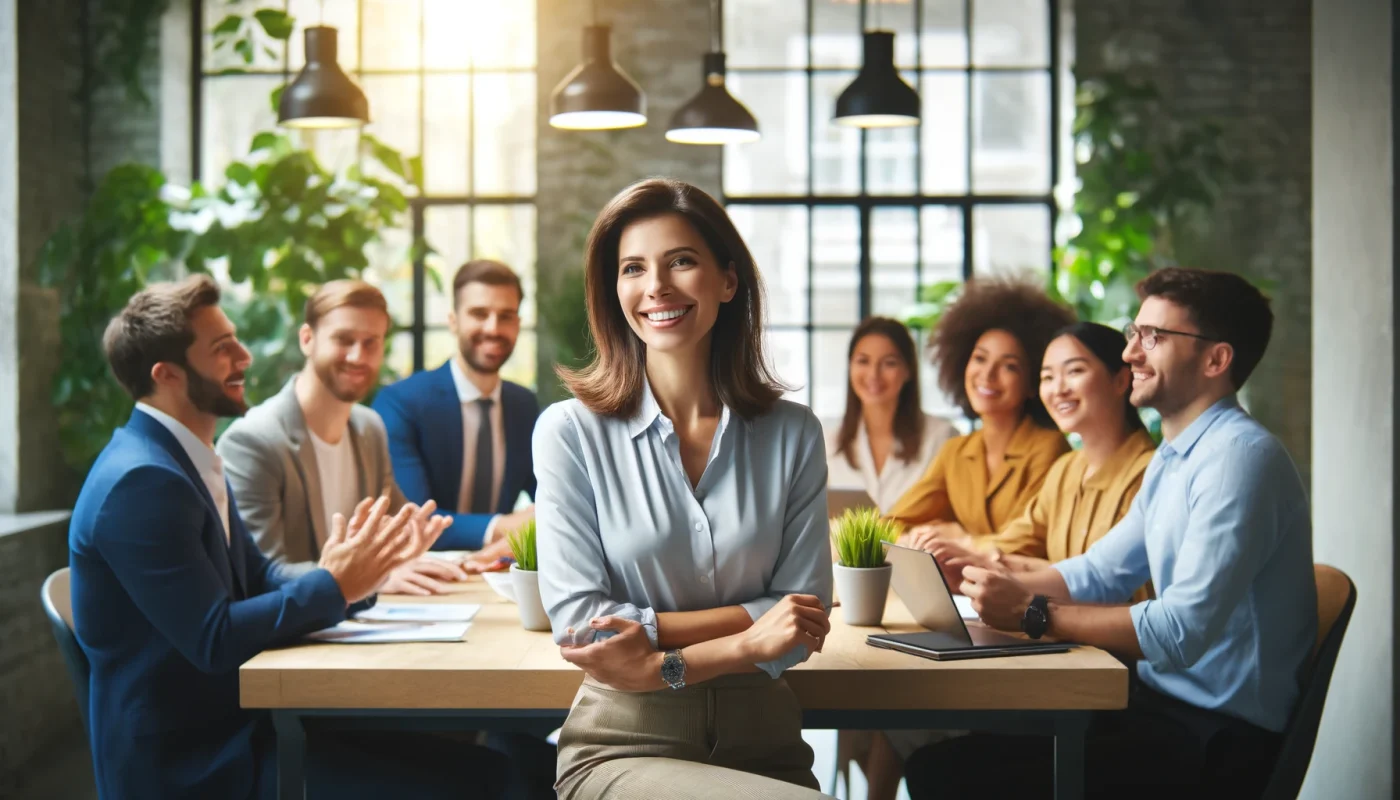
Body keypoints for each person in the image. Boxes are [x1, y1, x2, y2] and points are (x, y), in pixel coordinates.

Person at [66, 275, 507, 799]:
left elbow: (262, 576)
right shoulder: (143, 481)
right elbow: (214, 640)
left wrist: (352, 575)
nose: (243, 355)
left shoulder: (186, 460)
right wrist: (337, 584)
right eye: (221, 347)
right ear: (168, 376)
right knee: (485, 781)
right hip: (200, 763)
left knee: (490, 767)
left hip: (248, 727)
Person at [904, 267, 1316, 799]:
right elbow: (1099, 571)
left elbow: (1178, 632)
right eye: (1134, 334)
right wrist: (983, 574)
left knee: (946, 775)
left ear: (1217, 359)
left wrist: (1033, 613)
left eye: (1156, 338)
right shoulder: (1174, 458)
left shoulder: (1240, 459)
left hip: (1216, 739)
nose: (1130, 354)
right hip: (1158, 708)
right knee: (945, 759)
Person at [534, 178, 834, 799]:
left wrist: (652, 647)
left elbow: (803, 617)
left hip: (768, 751)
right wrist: (747, 638)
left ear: (728, 281)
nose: (657, 288)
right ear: (614, 291)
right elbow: (585, 629)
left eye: (682, 262)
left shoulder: (793, 434)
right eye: (633, 268)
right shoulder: (569, 433)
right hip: (623, 748)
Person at [861, 322, 1159, 800]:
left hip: (1109, 677)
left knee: (929, 753)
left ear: (1122, 379)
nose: (1057, 387)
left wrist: (980, 554)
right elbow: (1015, 545)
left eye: (1074, 371)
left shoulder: (1147, 474)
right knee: (905, 727)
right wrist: (973, 560)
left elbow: (1107, 585)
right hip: (1063, 653)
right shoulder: (1069, 469)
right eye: (1048, 375)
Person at [218, 280, 471, 595]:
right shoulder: (253, 441)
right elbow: (261, 573)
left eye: (371, 342)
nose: (358, 356)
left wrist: (415, 543)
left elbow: (400, 524)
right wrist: (371, 579)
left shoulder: (369, 427)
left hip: (365, 624)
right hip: (295, 637)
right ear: (307, 339)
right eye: (343, 339)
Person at [885, 277, 1074, 561]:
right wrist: (919, 538)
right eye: (980, 358)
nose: (987, 374)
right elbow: (889, 525)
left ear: (1033, 380)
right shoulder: (956, 452)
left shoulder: (1049, 448)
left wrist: (961, 539)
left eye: (1009, 365)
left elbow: (1031, 541)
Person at [372, 259, 538, 567]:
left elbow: (555, 501)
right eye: (479, 314)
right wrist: (507, 526)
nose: (493, 328)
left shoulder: (525, 405)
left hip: (496, 571)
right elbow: (416, 520)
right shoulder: (401, 403)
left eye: (506, 316)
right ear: (453, 321)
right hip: (421, 574)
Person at [822, 316, 956, 512]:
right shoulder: (828, 444)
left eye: (889, 363)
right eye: (863, 361)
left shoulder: (943, 438)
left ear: (908, 370)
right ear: (850, 366)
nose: (873, 374)